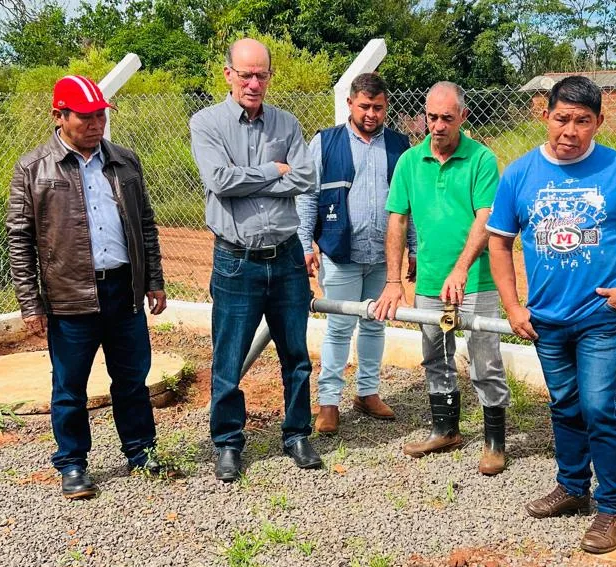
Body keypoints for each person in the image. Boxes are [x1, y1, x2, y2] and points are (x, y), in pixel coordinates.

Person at [486, 76, 616, 553]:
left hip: (601, 315)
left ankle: (612, 509)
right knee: (563, 404)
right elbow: (499, 243)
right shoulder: (519, 175)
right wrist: (512, 305)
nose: (570, 130)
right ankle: (571, 487)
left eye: (583, 121)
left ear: (599, 123)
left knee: (599, 407)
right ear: (543, 115)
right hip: (545, 318)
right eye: (562, 118)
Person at [5, 75, 167, 500]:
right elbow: (19, 238)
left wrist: (153, 280)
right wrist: (30, 303)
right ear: (59, 116)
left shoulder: (125, 161)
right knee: (70, 386)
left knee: (132, 379)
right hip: (70, 295)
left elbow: (145, 225)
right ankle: (73, 464)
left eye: (100, 116)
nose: (96, 125)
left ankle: (141, 453)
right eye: (86, 117)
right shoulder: (33, 167)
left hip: (122, 290)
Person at [189, 38, 318, 479]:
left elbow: (305, 176)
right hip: (236, 261)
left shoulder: (286, 123)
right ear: (228, 74)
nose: (253, 82)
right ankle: (227, 441)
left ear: (270, 77)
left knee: (296, 354)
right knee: (229, 358)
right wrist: (272, 170)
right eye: (245, 74)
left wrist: (266, 177)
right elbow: (220, 180)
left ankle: (297, 433)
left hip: (285, 258)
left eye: (261, 74)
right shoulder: (206, 123)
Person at [375, 81, 510, 476]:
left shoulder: (482, 160)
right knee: (436, 355)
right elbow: (397, 220)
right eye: (431, 117)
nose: (437, 126)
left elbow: (486, 218)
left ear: (462, 118)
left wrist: (462, 267)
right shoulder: (409, 162)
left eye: (446, 118)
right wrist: (394, 280)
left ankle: (494, 442)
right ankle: (445, 430)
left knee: (485, 358)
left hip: (476, 279)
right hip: (431, 281)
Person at [296, 72, 417, 434]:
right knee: (338, 328)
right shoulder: (325, 143)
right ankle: (329, 401)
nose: (371, 114)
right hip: (339, 253)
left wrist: (413, 247)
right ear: (350, 104)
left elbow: (407, 204)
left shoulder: (400, 146)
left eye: (378, 108)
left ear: (386, 107)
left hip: (384, 259)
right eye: (364, 106)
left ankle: (367, 392)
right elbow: (307, 195)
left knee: (374, 325)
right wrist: (304, 244)